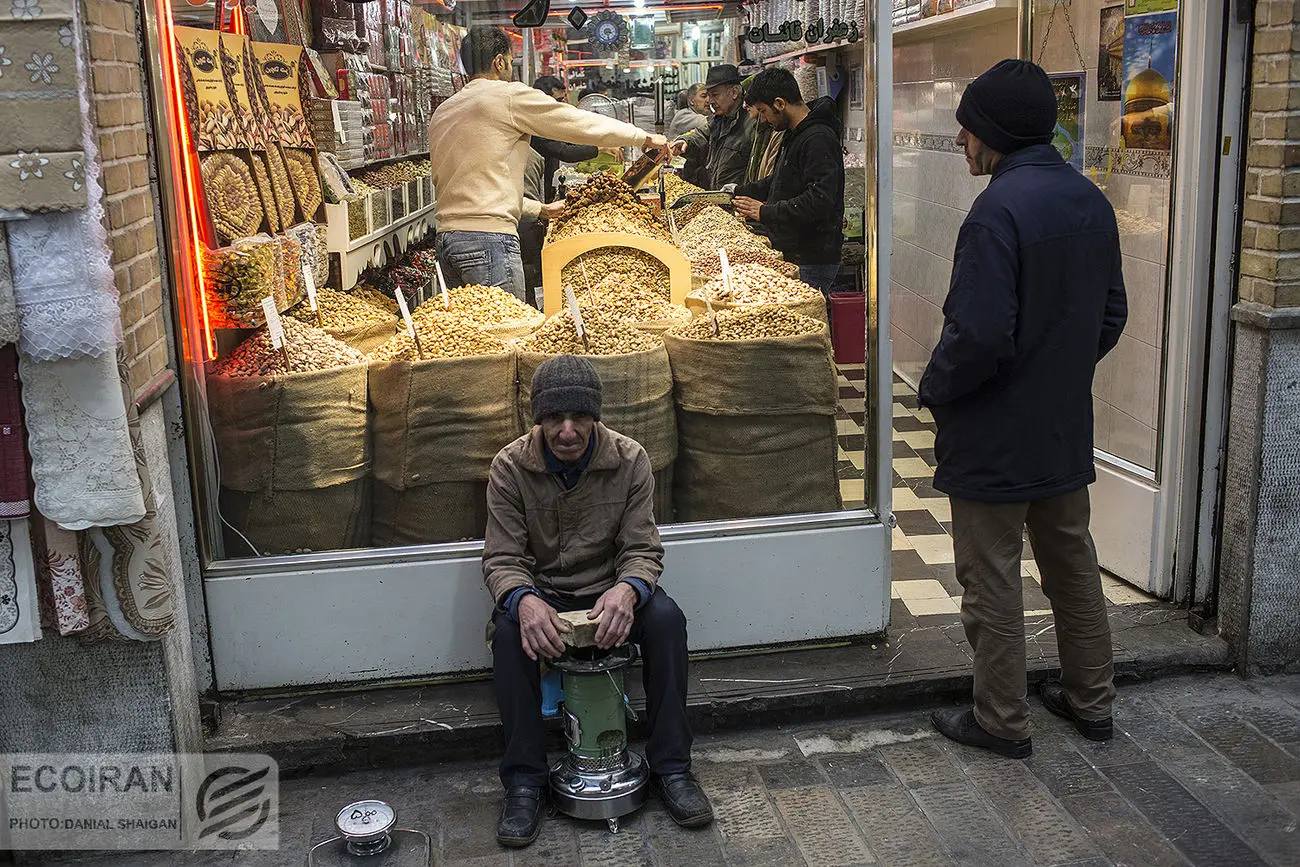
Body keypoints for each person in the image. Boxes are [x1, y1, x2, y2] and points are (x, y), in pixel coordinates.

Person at [918, 59, 1128, 759]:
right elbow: (1111, 315)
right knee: (1072, 562)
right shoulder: (1089, 200)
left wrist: (935, 387)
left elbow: (977, 334)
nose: (960, 140)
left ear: (995, 132)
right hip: (1062, 426)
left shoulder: (996, 212)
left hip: (994, 434)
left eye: (968, 127)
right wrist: (1058, 369)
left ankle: (1002, 719)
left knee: (992, 575)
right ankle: (1091, 701)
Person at [483, 355, 714, 847]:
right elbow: (502, 558)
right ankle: (525, 781)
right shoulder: (510, 466)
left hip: (610, 590)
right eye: (553, 419)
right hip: (544, 592)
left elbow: (642, 549)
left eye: (579, 418)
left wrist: (628, 590)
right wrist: (523, 600)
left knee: (667, 620)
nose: (567, 431)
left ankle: (672, 768)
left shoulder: (630, 460)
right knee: (508, 633)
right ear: (539, 420)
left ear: (595, 415)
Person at [428, 28, 666, 301]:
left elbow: (468, 185)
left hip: (447, 243)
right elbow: (575, 122)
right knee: (508, 335)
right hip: (489, 243)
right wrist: (642, 137)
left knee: (473, 339)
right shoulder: (506, 96)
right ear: (499, 62)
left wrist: (539, 209)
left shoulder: (443, 111)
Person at [731, 68, 845, 294]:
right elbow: (783, 179)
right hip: (795, 252)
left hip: (812, 257)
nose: (763, 120)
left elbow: (819, 199)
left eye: (763, 111)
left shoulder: (818, 138)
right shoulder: (795, 133)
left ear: (780, 104)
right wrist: (739, 192)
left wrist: (765, 212)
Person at [669, 64, 755, 189]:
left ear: (734, 92)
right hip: (716, 197)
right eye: (707, 95)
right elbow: (701, 135)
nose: (710, 101)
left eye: (714, 95)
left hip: (738, 200)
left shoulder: (751, 121)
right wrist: (685, 141)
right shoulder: (717, 119)